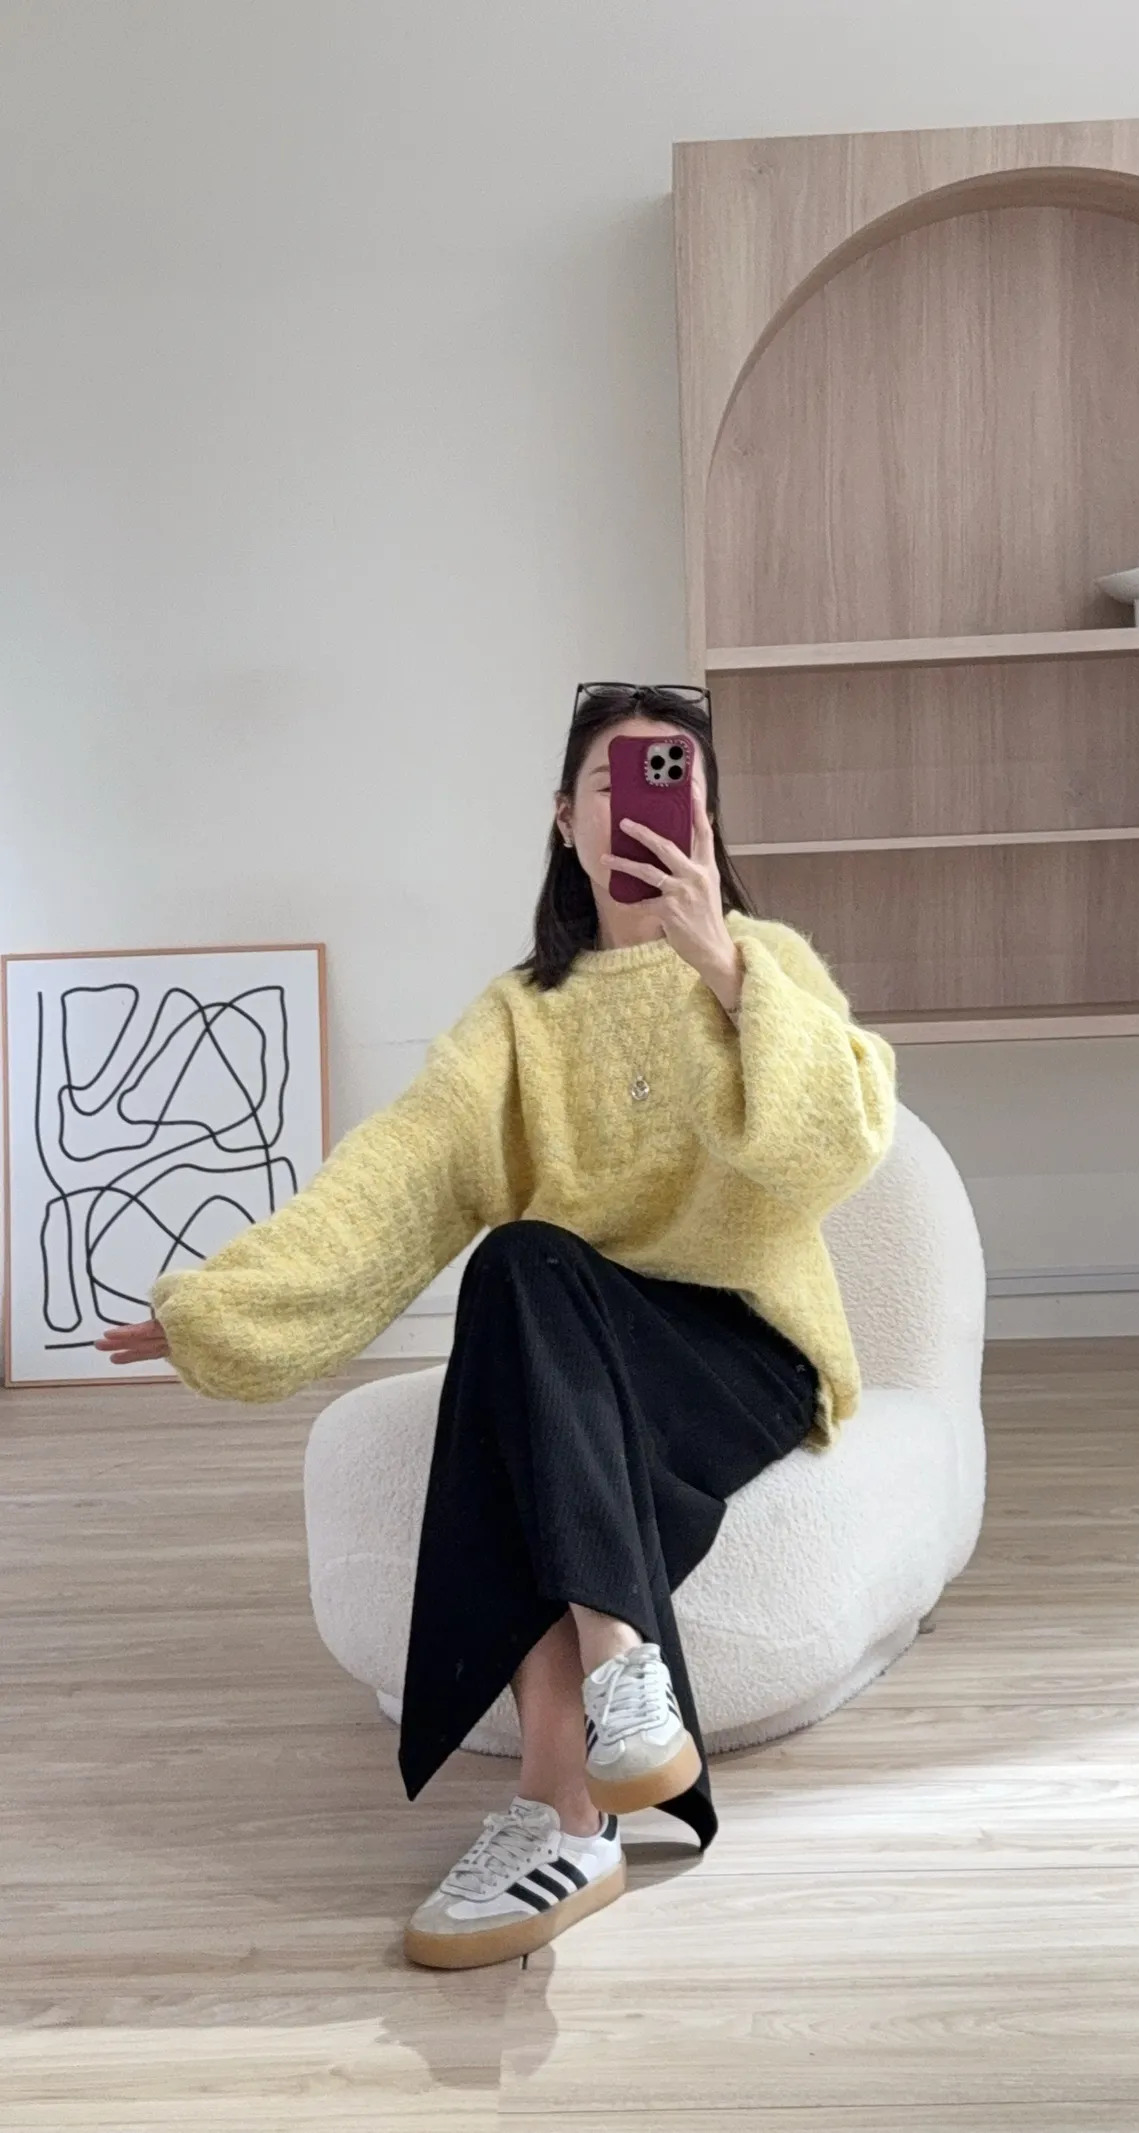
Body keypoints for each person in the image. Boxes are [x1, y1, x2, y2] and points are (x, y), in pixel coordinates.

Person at [98, 680, 896, 1972]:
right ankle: (604, 1731)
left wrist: (724, 966)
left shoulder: (769, 965)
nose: (642, 807)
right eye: (613, 782)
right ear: (565, 819)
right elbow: (400, 1176)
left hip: (742, 1352)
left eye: (674, 780)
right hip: (575, 1344)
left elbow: (837, 1150)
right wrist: (223, 1305)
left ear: (704, 815)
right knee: (520, 1274)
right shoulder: (519, 1017)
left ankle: (558, 1809)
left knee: (521, 1348)